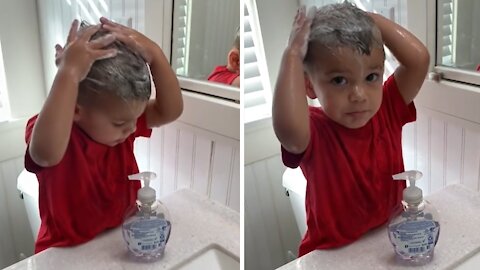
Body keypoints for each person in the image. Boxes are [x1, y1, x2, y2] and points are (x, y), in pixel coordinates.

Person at [272, 3, 429, 257]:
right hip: (329, 254)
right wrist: (292, 56)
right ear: (309, 87)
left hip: (384, 241)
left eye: (371, 77)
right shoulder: (313, 129)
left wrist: (367, 20)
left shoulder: (387, 107)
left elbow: (419, 59)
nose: (358, 95)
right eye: (339, 80)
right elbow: (288, 131)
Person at [24, 18, 183, 253]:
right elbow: (45, 154)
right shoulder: (54, 132)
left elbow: (169, 111)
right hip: (62, 253)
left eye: (134, 119)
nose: (131, 129)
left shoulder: (119, 122)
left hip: (115, 241)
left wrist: (157, 56)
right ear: (76, 109)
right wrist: (68, 73)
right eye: (120, 123)